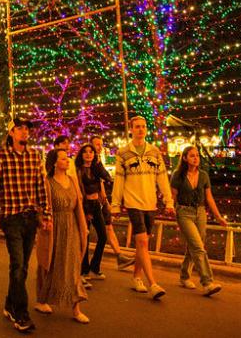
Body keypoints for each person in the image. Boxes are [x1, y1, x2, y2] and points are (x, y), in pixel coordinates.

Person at [0, 118, 52, 334]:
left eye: (27, 129)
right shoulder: (2, 156)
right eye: (20, 129)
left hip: (30, 217)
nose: (24, 132)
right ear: (11, 133)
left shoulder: (35, 156)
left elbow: (41, 186)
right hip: (11, 218)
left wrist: (47, 213)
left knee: (22, 267)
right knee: (17, 265)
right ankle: (20, 314)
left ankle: (9, 303)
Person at [112, 116, 174, 300]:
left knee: (143, 243)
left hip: (150, 203)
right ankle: (153, 283)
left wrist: (168, 201)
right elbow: (119, 180)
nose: (141, 129)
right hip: (133, 202)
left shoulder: (154, 152)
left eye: (143, 127)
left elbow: (162, 178)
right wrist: (115, 204)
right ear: (131, 129)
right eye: (137, 127)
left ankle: (136, 277)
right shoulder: (123, 153)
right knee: (143, 243)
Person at [35, 148, 90, 324]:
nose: (68, 161)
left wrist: (83, 229)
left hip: (71, 227)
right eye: (64, 159)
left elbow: (78, 206)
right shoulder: (47, 183)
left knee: (73, 266)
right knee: (50, 265)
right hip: (53, 229)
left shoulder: (73, 180)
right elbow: (39, 206)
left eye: (68, 158)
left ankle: (76, 308)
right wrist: (43, 222)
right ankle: (42, 300)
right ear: (55, 163)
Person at [169, 145, 226, 296]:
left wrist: (218, 216)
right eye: (192, 156)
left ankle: (184, 276)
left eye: (197, 156)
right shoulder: (177, 175)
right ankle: (207, 282)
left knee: (194, 246)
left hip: (200, 212)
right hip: (184, 212)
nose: (196, 158)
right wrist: (169, 207)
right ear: (185, 158)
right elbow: (172, 196)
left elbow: (209, 198)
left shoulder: (203, 175)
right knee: (198, 246)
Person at [74, 144, 108, 281]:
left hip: (96, 205)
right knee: (85, 239)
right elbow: (80, 191)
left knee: (103, 236)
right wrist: (85, 210)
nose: (88, 154)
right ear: (81, 155)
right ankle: (83, 270)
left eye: (91, 152)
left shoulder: (96, 168)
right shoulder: (78, 171)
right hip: (84, 206)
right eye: (85, 152)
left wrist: (99, 165)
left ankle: (95, 267)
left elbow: (107, 178)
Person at [90, 135, 124, 261]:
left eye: (101, 144)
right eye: (97, 144)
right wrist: (104, 198)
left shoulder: (99, 160)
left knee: (108, 227)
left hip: (101, 199)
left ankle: (119, 255)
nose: (100, 147)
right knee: (96, 232)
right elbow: (100, 181)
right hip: (95, 200)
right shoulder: (92, 162)